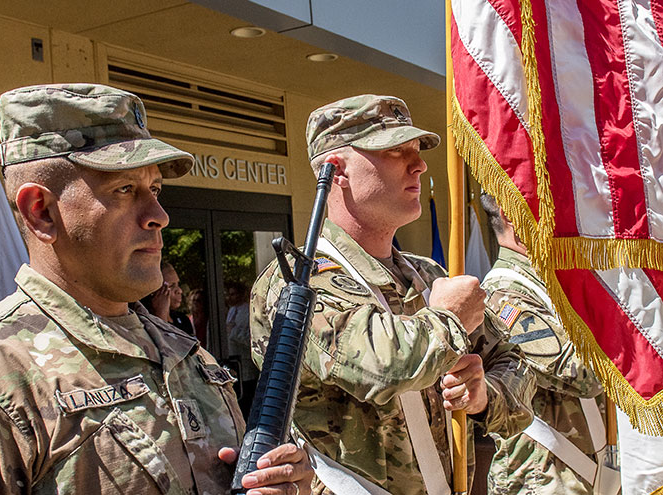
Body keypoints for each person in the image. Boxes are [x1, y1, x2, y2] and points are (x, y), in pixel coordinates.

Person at [0, 84, 312, 494]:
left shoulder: (185, 353)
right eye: (125, 189)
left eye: (156, 189)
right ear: (40, 211)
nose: (159, 216)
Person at [249, 94, 536, 494]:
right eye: (396, 151)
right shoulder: (298, 281)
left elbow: (515, 361)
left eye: (416, 151)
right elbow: (380, 367)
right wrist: (450, 320)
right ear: (337, 171)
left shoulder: (427, 275)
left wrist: (484, 394)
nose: (418, 164)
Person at [480, 193, 611, 494]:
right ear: (511, 214)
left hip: (585, 471)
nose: (563, 211)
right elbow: (582, 374)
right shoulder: (504, 295)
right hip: (541, 477)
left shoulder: (552, 285)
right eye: (550, 203)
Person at [225, 281, 258, 417]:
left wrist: (234, 331)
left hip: (246, 365)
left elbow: (251, 338)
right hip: (233, 364)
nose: (230, 298)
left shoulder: (247, 310)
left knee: (246, 400)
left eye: (233, 294)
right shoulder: (231, 310)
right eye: (229, 295)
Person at [142, 262, 194, 336]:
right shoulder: (144, 321)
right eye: (171, 286)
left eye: (178, 284)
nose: (179, 290)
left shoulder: (183, 320)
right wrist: (161, 314)